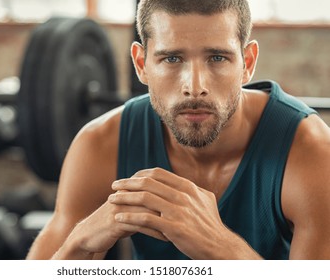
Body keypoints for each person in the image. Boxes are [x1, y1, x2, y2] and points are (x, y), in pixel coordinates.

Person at [27, 0, 330, 260]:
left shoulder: (310, 152)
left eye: (217, 58)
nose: (195, 87)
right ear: (141, 63)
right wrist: (77, 247)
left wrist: (222, 248)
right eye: (172, 58)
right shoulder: (101, 143)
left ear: (247, 62)